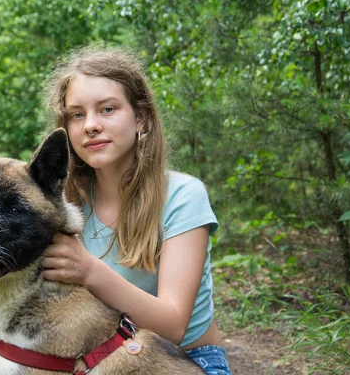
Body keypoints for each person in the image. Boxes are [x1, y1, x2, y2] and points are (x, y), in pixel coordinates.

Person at [41, 46, 231, 375]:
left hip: (182, 362)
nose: (90, 125)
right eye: (77, 115)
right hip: (94, 362)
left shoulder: (183, 196)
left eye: (108, 109)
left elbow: (173, 326)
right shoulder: (64, 200)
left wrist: (89, 271)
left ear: (140, 118)